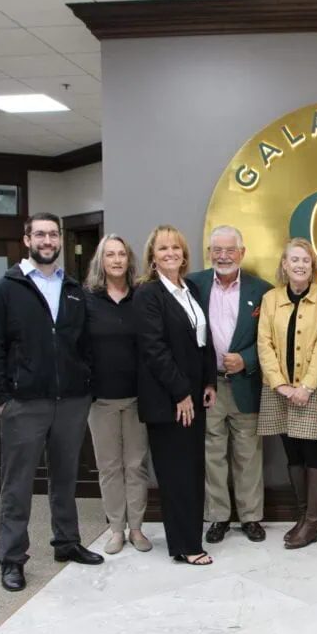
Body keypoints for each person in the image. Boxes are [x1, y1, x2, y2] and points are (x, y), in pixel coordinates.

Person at [0, 213, 103, 592]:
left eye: (53, 234)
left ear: (60, 240)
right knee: (17, 484)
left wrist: (86, 385)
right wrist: (4, 397)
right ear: (27, 239)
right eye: (40, 234)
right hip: (24, 403)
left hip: (71, 401)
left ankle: (66, 542)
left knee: (65, 478)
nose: (47, 240)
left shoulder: (72, 288)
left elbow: (86, 344)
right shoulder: (6, 288)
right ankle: (12, 558)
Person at [133, 225, 217, 566]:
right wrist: (181, 393)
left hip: (195, 396)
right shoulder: (148, 294)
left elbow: (203, 340)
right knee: (175, 474)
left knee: (193, 470)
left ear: (184, 254)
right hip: (169, 400)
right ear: (153, 256)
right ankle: (184, 546)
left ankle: (190, 537)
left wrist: (208, 382)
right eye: (163, 248)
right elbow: (154, 349)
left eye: (176, 248)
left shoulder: (191, 287)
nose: (170, 253)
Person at [188, 225, 272, 544]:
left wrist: (247, 359)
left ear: (242, 253)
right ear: (209, 253)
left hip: (246, 383)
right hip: (209, 385)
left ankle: (251, 518)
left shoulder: (261, 290)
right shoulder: (193, 285)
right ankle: (219, 517)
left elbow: (270, 338)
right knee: (212, 453)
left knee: (248, 453)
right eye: (217, 250)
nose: (223, 256)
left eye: (230, 250)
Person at [257, 238, 317, 549]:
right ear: (284, 265)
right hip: (278, 390)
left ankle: (313, 523)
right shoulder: (270, 299)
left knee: (312, 454)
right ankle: (302, 516)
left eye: (306, 260)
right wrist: (280, 385)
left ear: (312, 266)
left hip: (311, 390)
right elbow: (265, 344)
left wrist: (305, 387)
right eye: (295, 259)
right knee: (290, 452)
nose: (300, 264)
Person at [84, 234, 152, 555]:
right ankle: (115, 530)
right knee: (109, 467)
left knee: (136, 465)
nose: (116, 260)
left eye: (121, 254)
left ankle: (136, 529)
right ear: (101, 260)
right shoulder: (87, 299)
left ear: (129, 259)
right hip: (100, 400)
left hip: (138, 398)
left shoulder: (141, 296)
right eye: (109, 254)